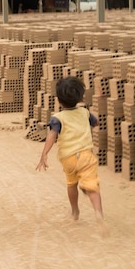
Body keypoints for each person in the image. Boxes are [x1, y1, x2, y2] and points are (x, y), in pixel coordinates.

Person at [35, 76, 105, 228]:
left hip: (68, 159)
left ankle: (75, 211)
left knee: (71, 184)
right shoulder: (85, 112)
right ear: (80, 97)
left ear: (59, 100)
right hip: (86, 156)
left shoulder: (57, 118)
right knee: (92, 185)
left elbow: (52, 135)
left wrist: (44, 154)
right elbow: (96, 122)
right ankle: (98, 212)